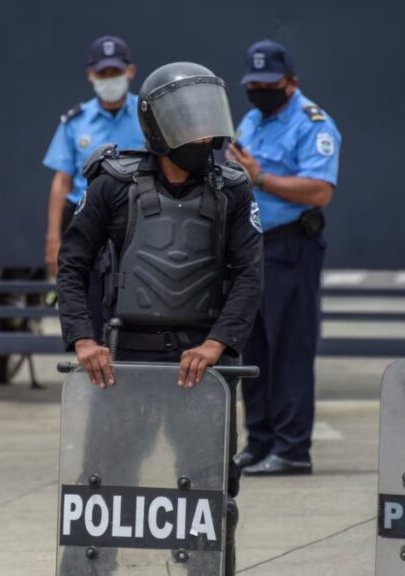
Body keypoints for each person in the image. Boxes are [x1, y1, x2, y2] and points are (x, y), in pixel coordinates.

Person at [57, 61, 263, 574]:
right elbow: (72, 265)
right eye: (189, 120)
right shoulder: (113, 183)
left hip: (203, 360)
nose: (203, 134)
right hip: (124, 357)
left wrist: (217, 344)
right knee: (101, 487)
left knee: (210, 490)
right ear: (158, 125)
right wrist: (83, 338)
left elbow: (249, 276)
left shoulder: (232, 188)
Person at [226, 39, 341, 476]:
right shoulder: (252, 120)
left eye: (268, 84)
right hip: (250, 248)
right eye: (252, 84)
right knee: (252, 346)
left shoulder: (313, 124)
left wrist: (262, 178)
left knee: (289, 348)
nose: (258, 90)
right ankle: (259, 442)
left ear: (291, 83)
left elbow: (320, 191)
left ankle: (292, 449)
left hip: (290, 247)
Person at [43, 35, 143, 342]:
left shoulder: (146, 113)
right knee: (87, 302)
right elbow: (61, 181)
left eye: (115, 72)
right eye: (103, 74)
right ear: (91, 75)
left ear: (130, 71)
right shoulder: (75, 121)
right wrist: (53, 237)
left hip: (137, 222)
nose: (109, 80)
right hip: (86, 221)